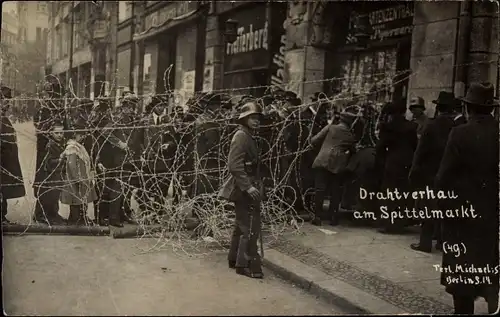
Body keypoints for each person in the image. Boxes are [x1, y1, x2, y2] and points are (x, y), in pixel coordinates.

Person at [435, 82, 499, 314]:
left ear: (468, 108)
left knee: (461, 270)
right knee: (490, 264)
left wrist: (443, 211)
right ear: (490, 108)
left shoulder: (460, 133)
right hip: (492, 214)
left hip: (462, 215)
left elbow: (443, 178)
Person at [409, 91, 460, 252]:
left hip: (429, 173)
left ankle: (425, 243)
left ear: (438, 108)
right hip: (448, 174)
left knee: (427, 208)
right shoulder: (457, 126)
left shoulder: (431, 125)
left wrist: (414, 170)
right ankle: (441, 241)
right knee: (444, 208)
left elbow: (420, 151)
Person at [219, 101, 264, 279]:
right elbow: (234, 165)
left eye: (258, 118)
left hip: (246, 184)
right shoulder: (241, 136)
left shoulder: (248, 135)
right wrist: (248, 186)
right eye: (252, 118)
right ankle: (245, 265)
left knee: (241, 225)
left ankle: (234, 259)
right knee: (250, 227)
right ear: (244, 119)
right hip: (245, 187)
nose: (256, 121)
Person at [309, 105, 361, 226]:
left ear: (340, 120)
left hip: (322, 160)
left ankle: (317, 217)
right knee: (335, 191)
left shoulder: (330, 128)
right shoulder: (350, 136)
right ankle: (333, 217)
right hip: (337, 165)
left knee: (319, 190)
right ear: (350, 123)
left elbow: (313, 141)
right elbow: (354, 151)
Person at [375, 100, 418, 233]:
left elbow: (381, 147)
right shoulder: (412, 126)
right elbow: (415, 145)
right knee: (403, 193)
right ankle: (401, 223)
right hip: (407, 161)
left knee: (389, 194)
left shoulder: (387, 127)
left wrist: (380, 161)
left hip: (392, 162)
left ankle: (389, 224)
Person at [59, 117, 97, 225]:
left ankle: (81, 218)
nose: (83, 137)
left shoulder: (79, 147)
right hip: (76, 179)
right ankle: (75, 220)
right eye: (81, 135)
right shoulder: (72, 148)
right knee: (76, 200)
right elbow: (72, 165)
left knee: (81, 200)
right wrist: (78, 178)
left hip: (82, 177)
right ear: (76, 135)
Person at [32, 121, 67, 225]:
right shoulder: (50, 145)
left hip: (57, 175)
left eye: (61, 133)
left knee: (54, 195)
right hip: (51, 175)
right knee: (49, 196)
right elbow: (49, 162)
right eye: (57, 133)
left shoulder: (60, 143)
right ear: (51, 133)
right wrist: (61, 159)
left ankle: (53, 214)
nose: (60, 135)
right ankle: (45, 216)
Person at [0, 85, 26, 225]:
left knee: (3, 189)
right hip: (2, 161)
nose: (8, 103)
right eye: (6, 100)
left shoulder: (4, 118)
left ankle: (3, 216)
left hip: (6, 161)